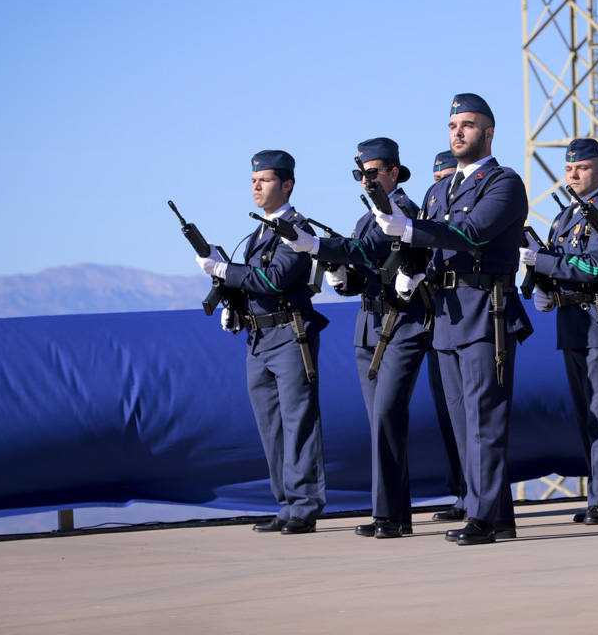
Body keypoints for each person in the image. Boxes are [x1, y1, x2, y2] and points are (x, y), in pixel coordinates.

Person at [373, 93, 533, 545]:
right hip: (445, 314)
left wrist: (409, 230)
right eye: (452, 125)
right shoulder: (438, 190)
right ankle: (496, 514)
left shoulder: (503, 182)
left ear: (488, 132)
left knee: (485, 418)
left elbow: (473, 232)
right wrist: (409, 263)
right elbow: (427, 246)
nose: (457, 132)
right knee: (463, 424)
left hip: (486, 312)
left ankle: (483, 516)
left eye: (467, 124)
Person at [283, 138, 430, 538]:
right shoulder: (367, 216)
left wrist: (316, 245)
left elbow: (366, 249)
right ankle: (397, 515)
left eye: (373, 173)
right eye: (360, 175)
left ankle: (387, 515)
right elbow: (363, 271)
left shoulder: (403, 211)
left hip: (402, 325)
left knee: (386, 417)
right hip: (369, 326)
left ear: (394, 173)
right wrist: (339, 275)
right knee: (380, 423)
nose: (366, 181)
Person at [196, 149, 327, 534]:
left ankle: (305, 506)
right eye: (254, 179)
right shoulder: (258, 230)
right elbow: (253, 282)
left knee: (298, 421)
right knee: (271, 425)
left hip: (290, 334)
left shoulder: (296, 230)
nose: (256, 185)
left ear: (287, 185)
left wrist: (223, 269)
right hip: (258, 337)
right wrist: (232, 303)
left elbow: (273, 280)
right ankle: (286, 503)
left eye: (265, 180)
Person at [522, 137, 598, 524]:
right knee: (587, 413)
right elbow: (561, 264)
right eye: (569, 169)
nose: (573, 174)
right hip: (571, 324)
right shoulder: (564, 218)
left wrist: (548, 264)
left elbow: (597, 267)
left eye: (582, 167)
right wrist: (544, 285)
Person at [423, 150, 468, 520]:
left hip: (470, 310)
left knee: (476, 414)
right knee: (451, 413)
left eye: (451, 177)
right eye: (439, 179)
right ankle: (464, 492)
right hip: (439, 316)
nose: (445, 184)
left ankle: (481, 498)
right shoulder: (433, 200)